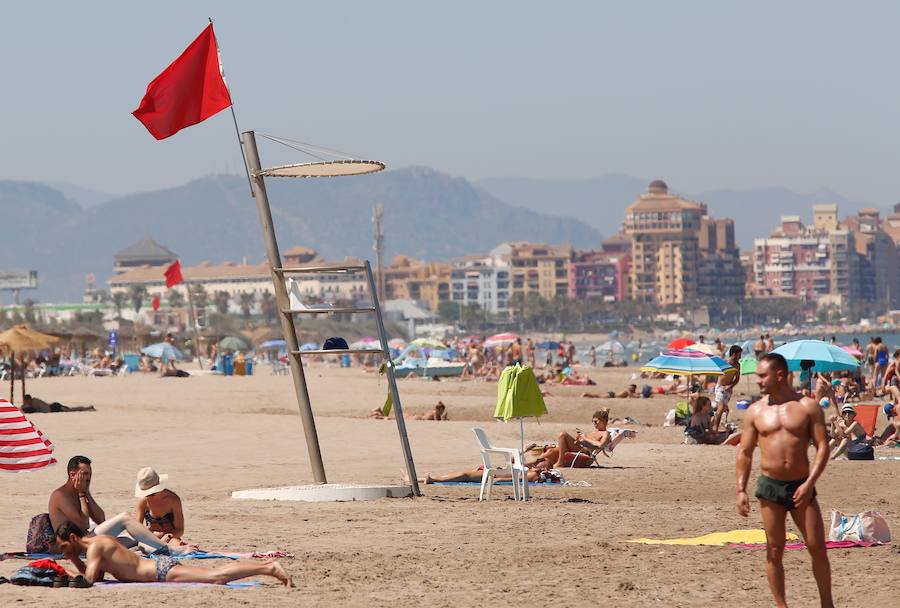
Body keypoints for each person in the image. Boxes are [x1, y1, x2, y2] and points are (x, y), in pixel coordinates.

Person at [735, 353, 833, 608]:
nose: (757, 380)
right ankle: (782, 606)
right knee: (775, 550)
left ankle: (827, 604)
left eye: (761, 375)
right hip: (770, 487)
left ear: (779, 375)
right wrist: (740, 489)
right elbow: (745, 452)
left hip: (801, 484)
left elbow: (823, 447)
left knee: (817, 548)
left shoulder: (807, 407)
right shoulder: (755, 411)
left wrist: (810, 482)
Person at [54, 521, 291, 586]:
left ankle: (268, 568)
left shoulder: (95, 547)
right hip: (157, 568)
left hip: (158, 571)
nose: (63, 551)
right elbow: (98, 577)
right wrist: (75, 559)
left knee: (216, 577)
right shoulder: (98, 545)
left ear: (73, 538)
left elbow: (88, 580)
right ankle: (267, 568)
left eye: (64, 546)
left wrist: (70, 562)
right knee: (214, 575)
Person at [48, 456, 189, 556]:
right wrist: (82, 495)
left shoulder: (81, 492)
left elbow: (100, 519)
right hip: (76, 546)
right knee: (125, 518)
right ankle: (169, 549)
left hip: (87, 541)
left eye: (90, 474)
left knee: (137, 537)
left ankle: (163, 547)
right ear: (72, 475)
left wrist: (87, 493)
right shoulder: (60, 495)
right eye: (84, 474)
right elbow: (83, 523)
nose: (88, 478)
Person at [532, 409, 635, 468]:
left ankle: (560, 462)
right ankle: (531, 465)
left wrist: (585, 438)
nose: (594, 424)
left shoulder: (605, 433)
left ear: (604, 421)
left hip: (585, 452)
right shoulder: (594, 432)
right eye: (593, 422)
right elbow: (586, 441)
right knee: (550, 451)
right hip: (579, 448)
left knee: (562, 434)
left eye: (596, 421)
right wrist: (579, 439)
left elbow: (600, 445)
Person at [134, 467, 189, 548]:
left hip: (170, 537)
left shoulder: (173, 500)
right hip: (150, 537)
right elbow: (137, 528)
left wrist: (168, 536)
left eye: (151, 493)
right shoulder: (143, 501)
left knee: (177, 546)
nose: (148, 496)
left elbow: (180, 530)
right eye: (146, 493)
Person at [712, 346, 741, 432]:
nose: (740, 357)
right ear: (734, 354)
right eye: (739, 354)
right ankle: (715, 429)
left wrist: (731, 386)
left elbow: (737, 378)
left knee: (721, 409)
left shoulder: (737, 365)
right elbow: (716, 372)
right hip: (720, 387)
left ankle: (710, 424)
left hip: (729, 389)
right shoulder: (724, 363)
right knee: (721, 408)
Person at [22, 394, 95, 413]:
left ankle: (88, 408)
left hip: (54, 407)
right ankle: (88, 408)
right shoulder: (33, 402)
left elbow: (46, 410)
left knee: (71, 410)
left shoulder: (35, 401)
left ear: (28, 399)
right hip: (53, 406)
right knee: (71, 409)